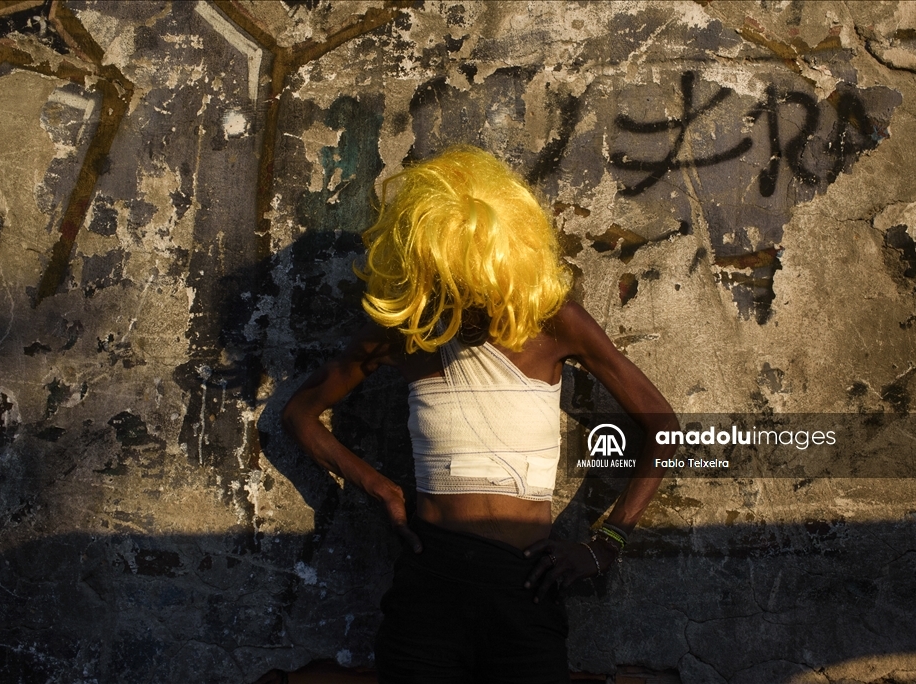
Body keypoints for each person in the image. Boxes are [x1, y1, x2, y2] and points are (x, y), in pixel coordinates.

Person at [277, 146, 679, 684]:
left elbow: (663, 428)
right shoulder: (408, 331)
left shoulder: (556, 323)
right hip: (430, 582)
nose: (466, 302)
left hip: (527, 584)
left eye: (475, 285)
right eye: (449, 284)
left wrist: (608, 543)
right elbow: (300, 414)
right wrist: (380, 489)